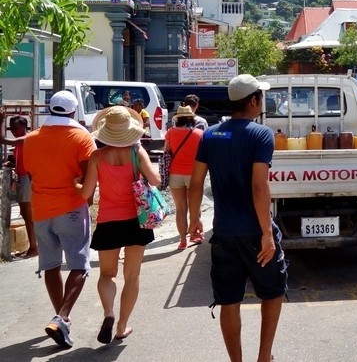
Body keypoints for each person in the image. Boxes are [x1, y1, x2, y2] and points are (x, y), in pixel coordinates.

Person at [189, 75, 287, 362]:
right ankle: (263, 357)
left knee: (228, 300)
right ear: (253, 101)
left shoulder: (210, 135)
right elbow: (259, 186)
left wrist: (195, 219)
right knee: (272, 292)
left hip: (224, 232)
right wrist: (266, 233)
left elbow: (196, 183)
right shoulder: (261, 134)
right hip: (255, 232)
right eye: (261, 97)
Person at [21, 90, 96, 349]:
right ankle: (62, 317)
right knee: (79, 265)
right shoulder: (81, 136)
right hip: (72, 207)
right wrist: (89, 200)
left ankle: (60, 320)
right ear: (74, 112)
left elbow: (30, 174)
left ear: (50, 110)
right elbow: (89, 177)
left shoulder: (31, 139)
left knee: (50, 265)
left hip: (41, 208)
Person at [79, 106, 160, 344]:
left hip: (108, 221)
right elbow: (155, 180)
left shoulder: (97, 157)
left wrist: (74, 185)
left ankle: (109, 313)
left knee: (107, 274)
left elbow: (86, 193)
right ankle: (122, 326)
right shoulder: (137, 151)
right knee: (132, 275)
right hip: (137, 219)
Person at [164, 105, 204, 249]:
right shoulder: (199, 134)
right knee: (195, 206)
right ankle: (195, 234)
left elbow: (166, 151)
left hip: (175, 174)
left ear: (177, 120)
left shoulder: (169, 132)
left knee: (180, 208)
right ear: (192, 120)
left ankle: (182, 240)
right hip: (194, 174)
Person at [4, 115, 38, 257]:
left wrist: (0, 121)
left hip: (26, 181)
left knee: (28, 216)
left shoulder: (25, 139)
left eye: (15, 128)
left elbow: (3, 140)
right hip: (23, 179)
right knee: (27, 215)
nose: (13, 131)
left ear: (24, 127)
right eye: (11, 128)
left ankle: (34, 248)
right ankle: (33, 246)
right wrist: (13, 165)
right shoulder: (22, 142)